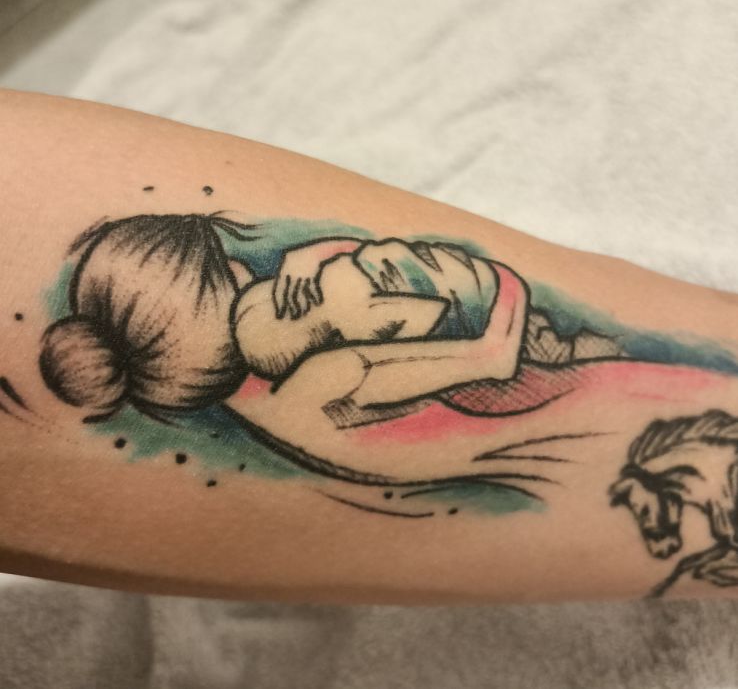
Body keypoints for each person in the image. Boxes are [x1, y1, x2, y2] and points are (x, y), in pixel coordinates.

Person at [3, 88, 738, 602]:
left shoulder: (277, 369)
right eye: (240, 278)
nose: (271, 271)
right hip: (560, 444)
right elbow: (492, 355)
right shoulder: (318, 386)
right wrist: (503, 287)